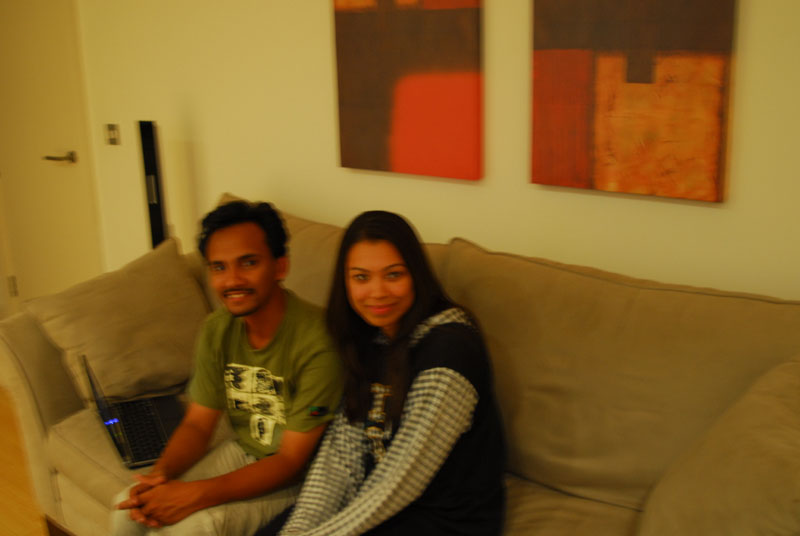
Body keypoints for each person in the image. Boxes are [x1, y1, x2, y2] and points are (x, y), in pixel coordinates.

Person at [112, 201, 344, 536]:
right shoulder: (217, 329)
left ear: (280, 266)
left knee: (194, 528)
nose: (232, 280)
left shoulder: (320, 340)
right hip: (243, 452)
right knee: (128, 507)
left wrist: (193, 495)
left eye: (248, 263)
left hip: (301, 479)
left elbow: (291, 461)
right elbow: (197, 424)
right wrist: (160, 477)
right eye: (219, 267)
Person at [275, 210, 506, 535]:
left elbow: (402, 479)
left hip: (444, 519)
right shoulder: (372, 335)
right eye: (361, 277)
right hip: (378, 503)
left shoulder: (450, 350)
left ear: (416, 275)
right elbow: (341, 456)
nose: (377, 292)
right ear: (345, 282)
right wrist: (300, 528)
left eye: (393, 275)